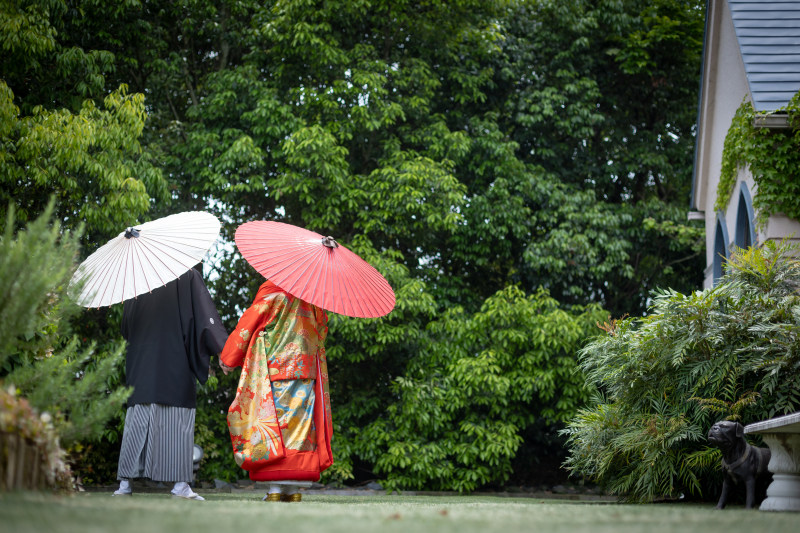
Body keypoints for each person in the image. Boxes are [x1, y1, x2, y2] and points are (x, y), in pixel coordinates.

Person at [113, 266, 228, 500]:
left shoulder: (138, 279)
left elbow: (125, 327)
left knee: (137, 420)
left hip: (141, 363)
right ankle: (180, 486)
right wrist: (224, 350)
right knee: (177, 423)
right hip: (173, 360)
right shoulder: (186, 275)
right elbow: (205, 318)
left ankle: (125, 485)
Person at [219, 279, 333, 502]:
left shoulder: (273, 289)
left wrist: (229, 356)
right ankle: (294, 490)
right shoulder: (313, 295)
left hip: (275, 366)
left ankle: (274, 489)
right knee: (299, 428)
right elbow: (321, 329)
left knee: (275, 426)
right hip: (306, 368)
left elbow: (249, 322)